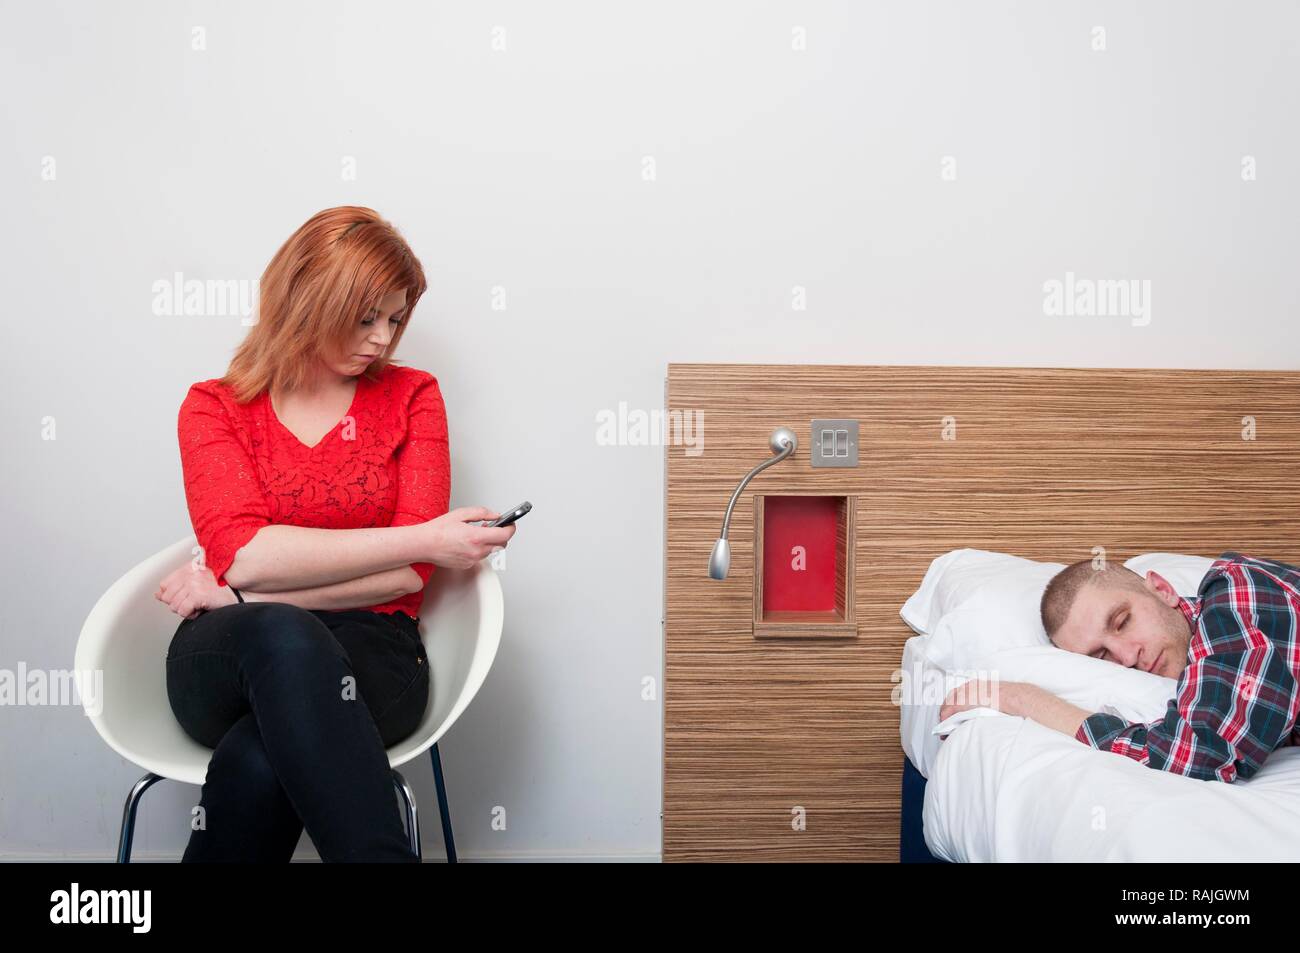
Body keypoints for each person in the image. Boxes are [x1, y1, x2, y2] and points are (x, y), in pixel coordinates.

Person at [154, 206, 516, 860]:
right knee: (282, 636)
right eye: (366, 316)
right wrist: (420, 538)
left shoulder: (413, 396)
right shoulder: (215, 407)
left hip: (374, 649)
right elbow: (245, 555)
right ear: (306, 298)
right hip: (228, 655)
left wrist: (243, 593)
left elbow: (407, 579)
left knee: (262, 753)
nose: (384, 338)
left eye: (396, 318)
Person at [939, 552, 1300, 783]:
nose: (1127, 658)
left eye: (1123, 621)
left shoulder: (1240, 591)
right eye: (1101, 657)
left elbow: (1202, 754)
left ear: (1162, 590)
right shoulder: (1210, 675)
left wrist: (1023, 700)